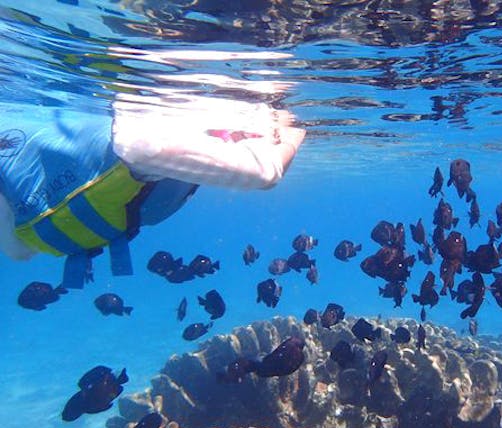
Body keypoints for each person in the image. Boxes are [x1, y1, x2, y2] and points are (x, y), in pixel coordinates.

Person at [0, 90, 305, 288]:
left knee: (20, 246)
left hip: (39, 221)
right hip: (51, 220)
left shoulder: (152, 128)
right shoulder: (150, 136)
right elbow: (265, 173)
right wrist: (294, 129)